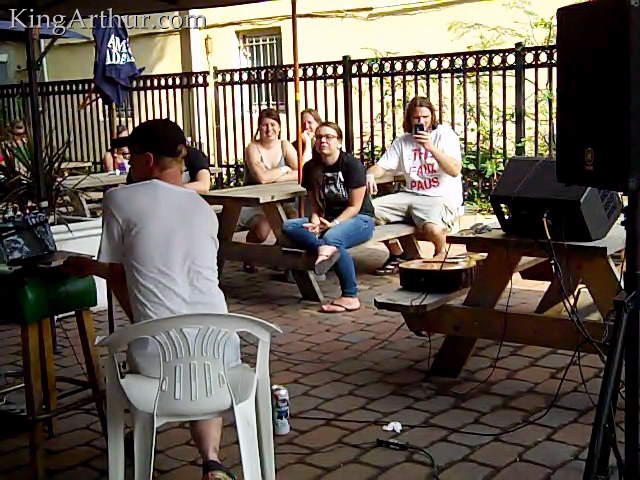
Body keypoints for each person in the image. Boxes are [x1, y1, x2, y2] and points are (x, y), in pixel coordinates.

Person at [61, 119, 240, 480]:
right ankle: (212, 462)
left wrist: (92, 272)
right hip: (222, 351)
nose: (128, 165)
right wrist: (95, 267)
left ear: (146, 160)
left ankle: (139, 434)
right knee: (198, 365)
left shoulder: (120, 199)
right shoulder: (202, 209)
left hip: (159, 363)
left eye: (130, 157)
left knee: (154, 351)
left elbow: (119, 274)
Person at [282, 122, 375, 313]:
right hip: (327, 220)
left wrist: (333, 224)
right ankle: (323, 248)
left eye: (329, 137)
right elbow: (315, 204)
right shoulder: (311, 167)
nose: (323, 140)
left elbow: (355, 207)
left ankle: (350, 296)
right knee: (290, 226)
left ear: (339, 142)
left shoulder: (352, 165)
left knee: (333, 238)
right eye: (319, 137)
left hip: (359, 220)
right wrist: (315, 221)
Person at [366, 96, 463, 274]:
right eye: (416, 118)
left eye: (425, 117)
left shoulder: (445, 135)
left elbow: (455, 170)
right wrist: (370, 174)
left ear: (432, 116)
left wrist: (431, 147)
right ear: (409, 119)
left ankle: (441, 258)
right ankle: (398, 254)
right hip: (409, 195)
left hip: (439, 197)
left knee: (433, 229)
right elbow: (381, 166)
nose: (421, 121)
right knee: (366, 213)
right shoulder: (403, 141)